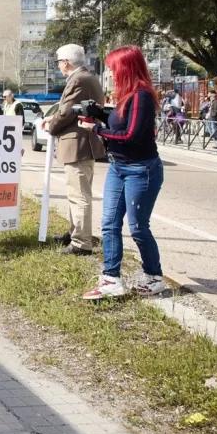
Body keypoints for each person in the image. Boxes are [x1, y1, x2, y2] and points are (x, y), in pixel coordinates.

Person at [78, 46, 166, 299]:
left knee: (138, 227)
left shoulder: (141, 96)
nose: (111, 72)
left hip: (141, 170)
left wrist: (94, 129)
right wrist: (101, 115)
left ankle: (153, 276)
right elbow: (121, 124)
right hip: (118, 167)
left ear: (126, 67)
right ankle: (111, 278)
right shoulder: (127, 96)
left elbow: (131, 135)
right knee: (109, 224)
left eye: (114, 67)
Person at [41, 43, 106, 255]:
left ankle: (81, 242)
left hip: (77, 143)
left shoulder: (78, 80)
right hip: (82, 142)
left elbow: (67, 111)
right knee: (77, 193)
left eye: (59, 62)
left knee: (79, 195)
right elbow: (74, 110)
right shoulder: (88, 77)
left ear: (66, 62)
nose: (59, 66)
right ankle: (75, 232)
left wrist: (51, 126)